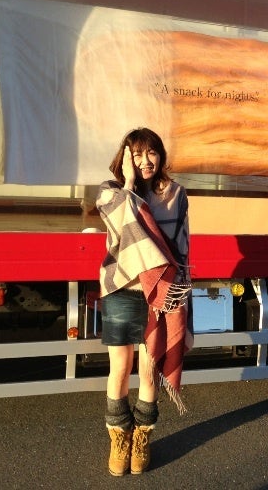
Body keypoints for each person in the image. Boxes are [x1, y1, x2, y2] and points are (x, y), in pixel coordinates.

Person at [95, 127, 191, 476]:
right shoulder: (110, 192)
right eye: (137, 154)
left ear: (161, 155)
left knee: (149, 369)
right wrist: (130, 181)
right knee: (120, 367)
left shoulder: (175, 194)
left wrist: (180, 292)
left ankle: (141, 439)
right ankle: (119, 438)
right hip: (122, 287)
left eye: (152, 152)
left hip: (160, 293)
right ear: (125, 159)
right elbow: (123, 219)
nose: (146, 160)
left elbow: (182, 246)